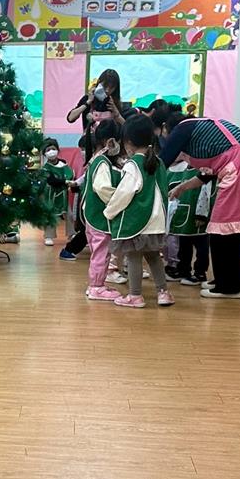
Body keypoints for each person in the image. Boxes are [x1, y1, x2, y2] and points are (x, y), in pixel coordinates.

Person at [162, 116, 240, 299]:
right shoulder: (204, 130)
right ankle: (224, 280)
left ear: (166, 128)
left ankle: (229, 287)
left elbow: (161, 162)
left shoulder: (182, 129)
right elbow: (208, 174)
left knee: (225, 230)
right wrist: (182, 187)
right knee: (229, 231)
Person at [60, 69, 131, 261]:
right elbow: (70, 117)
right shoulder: (88, 100)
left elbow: (128, 128)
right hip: (92, 152)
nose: (107, 90)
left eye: (111, 87)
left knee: (104, 200)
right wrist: (88, 102)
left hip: (113, 155)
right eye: (104, 85)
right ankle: (80, 244)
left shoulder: (116, 104)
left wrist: (116, 112)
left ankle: (97, 246)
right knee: (93, 198)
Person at [105, 114, 174, 308]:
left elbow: (124, 193)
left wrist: (109, 211)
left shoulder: (133, 165)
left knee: (133, 256)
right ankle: (163, 293)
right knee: (154, 257)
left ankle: (135, 296)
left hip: (138, 221)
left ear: (128, 142)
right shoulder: (159, 162)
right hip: (157, 221)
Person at [82, 120, 126, 300]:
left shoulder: (98, 159)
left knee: (100, 252)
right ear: (111, 141)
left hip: (94, 214)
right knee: (102, 252)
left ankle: (96, 284)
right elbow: (102, 188)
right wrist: (120, 200)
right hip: (99, 215)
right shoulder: (102, 162)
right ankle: (96, 287)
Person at [166, 157, 213, 285]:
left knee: (201, 246)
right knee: (184, 245)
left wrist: (201, 215)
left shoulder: (203, 170)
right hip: (183, 214)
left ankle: (200, 273)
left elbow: (205, 192)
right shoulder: (181, 169)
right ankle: (183, 270)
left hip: (197, 215)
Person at [41, 137, 75, 247]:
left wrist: (69, 181)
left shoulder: (63, 164)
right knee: (51, 215)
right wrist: (64, 181)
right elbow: (51, 180)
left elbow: (70, 174)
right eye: (48, 150)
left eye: (53, 149)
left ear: (58, 150)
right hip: (51, 195)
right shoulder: (46, 168)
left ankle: (71, 234)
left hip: (63, 195)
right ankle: (49, 236)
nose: (51, 152)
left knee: (69, 215)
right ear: (44, 153)